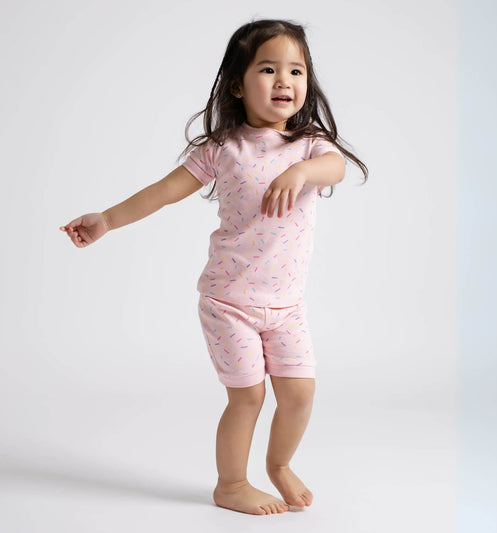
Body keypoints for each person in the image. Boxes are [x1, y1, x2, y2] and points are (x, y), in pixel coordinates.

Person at [60, 19, 368, 516]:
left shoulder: (310, 145)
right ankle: (231, 484)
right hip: (229, 303)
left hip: (286, 306)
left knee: (299, 394)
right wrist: (108, 220)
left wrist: (300, 170)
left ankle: (280, 465)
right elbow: (164, 192)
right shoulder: (223, 149)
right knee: (247, 398)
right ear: (237, 85)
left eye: (296, 71)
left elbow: (335, 168)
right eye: (268, 69)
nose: (284, 80)